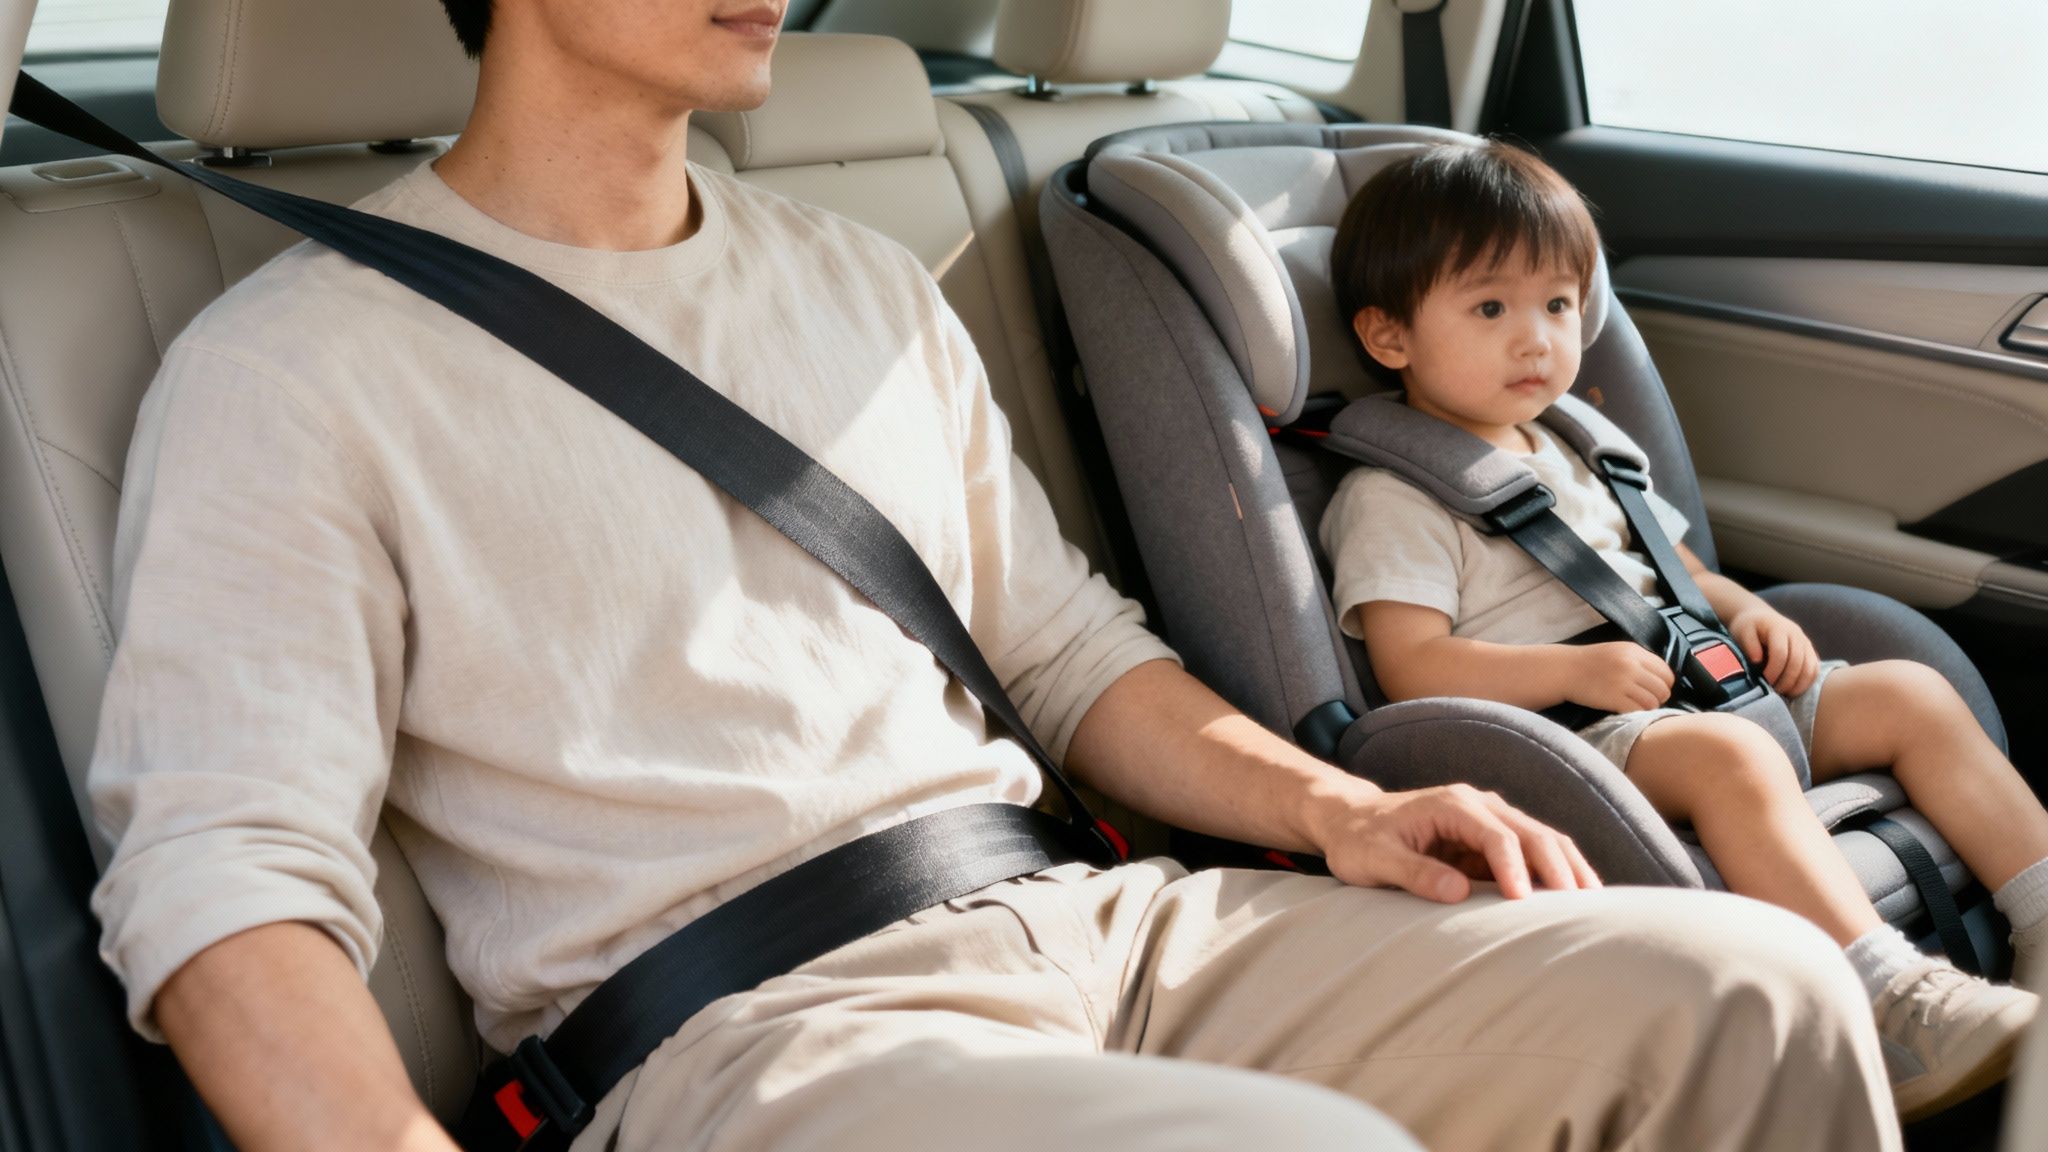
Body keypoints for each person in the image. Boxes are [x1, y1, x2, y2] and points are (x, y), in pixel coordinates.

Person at [86, 4, 1899, 1150]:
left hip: (1099, 919)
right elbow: (225, 871)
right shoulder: (301, 366)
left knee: (1756, 991)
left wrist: (1336, 806)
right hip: (753, 1043)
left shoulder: (858, 285)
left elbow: (1061, 648)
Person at [1320, 137, 2048, 1122]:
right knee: (1729, 761)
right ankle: (1891, 1000)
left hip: (1690, 674)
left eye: (1557, 305)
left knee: (1907, 695)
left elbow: (1679, 569)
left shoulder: (1580, 444)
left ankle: (2039, 908)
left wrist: (1745, 613)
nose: (1536, 339)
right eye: (1489, 309)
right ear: (1389, 336)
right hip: (1574, 733)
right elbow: (1410, 667)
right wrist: (1565, 676)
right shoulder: (1393, 500)